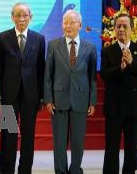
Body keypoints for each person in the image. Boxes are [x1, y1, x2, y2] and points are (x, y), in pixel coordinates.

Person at [0, 2, 45, 174]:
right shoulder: (2, 37)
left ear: (31, 17)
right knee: (8, 136)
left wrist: (42, 96)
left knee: (28, 137)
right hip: (8, 95)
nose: (21, 19)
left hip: (31, 96)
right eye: (17, 15)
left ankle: (25, 170)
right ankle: (6, 170)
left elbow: (41, 69)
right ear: (12, 17)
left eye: (25, 15)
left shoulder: (39, 39)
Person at [43, 10, 97, 174]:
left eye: (71, 22)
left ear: (79, 25)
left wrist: (92, 101)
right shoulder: (53, 45)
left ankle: (75, 170)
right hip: (58, 99)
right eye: (65, 22)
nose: (67, 25)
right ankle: (60, 171)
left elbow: (92, 77)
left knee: (78, 140)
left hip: (81, 99)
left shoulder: (90, 47)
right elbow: (48, 75)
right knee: (59, 141)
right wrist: (48, 99)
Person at [101, 13, 137, 174]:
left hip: (133, 106)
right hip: (114, 105)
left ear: (132, 29)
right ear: (114, 29)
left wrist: (131, 63)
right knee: (112, 145)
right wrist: (120, 68)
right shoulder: (108, 50)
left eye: (124, 26)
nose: (121, 29)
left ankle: (130, 171)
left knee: (131, 143)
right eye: (118, 26)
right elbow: (105, 75)